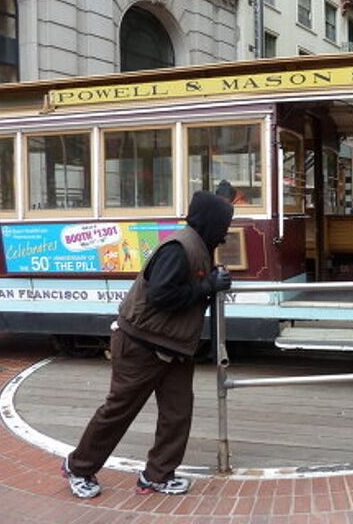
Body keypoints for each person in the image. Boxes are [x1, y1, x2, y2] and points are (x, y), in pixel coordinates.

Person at [61, 191, 234, 499]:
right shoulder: (179, 249)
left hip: (174, 347)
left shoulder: (199, 245)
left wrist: (212, 280)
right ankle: (79, 467)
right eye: (224, 225)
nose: (225, 233)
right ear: (209, 223)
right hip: (141, 344)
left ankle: (157, 475)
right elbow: (161, 296)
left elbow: (187, 290)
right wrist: (209, 286)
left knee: (177, 413)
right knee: (119, 409)